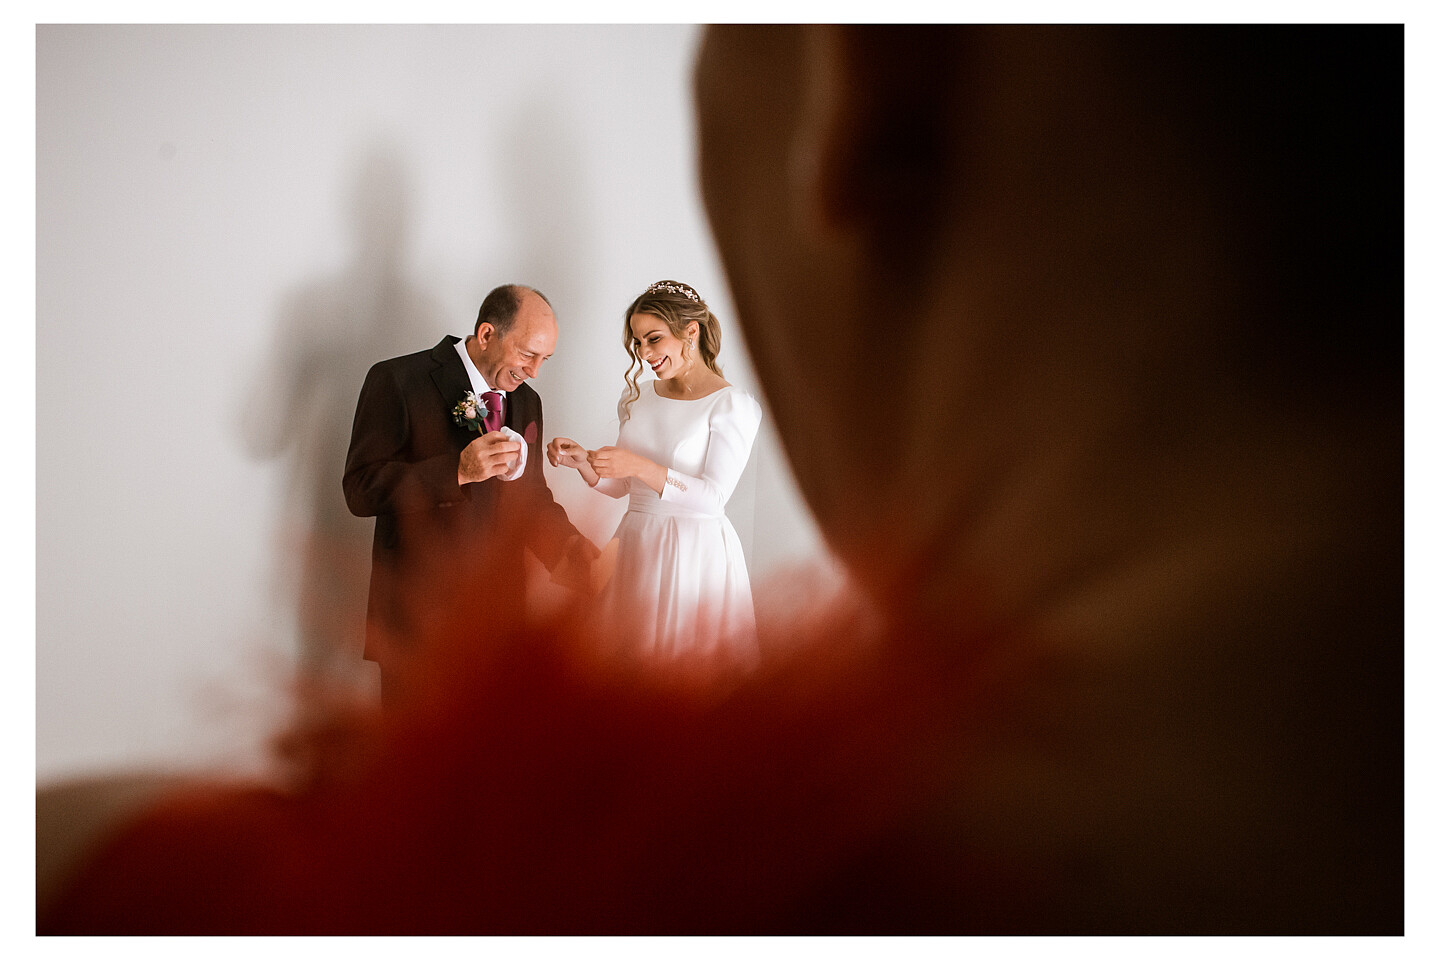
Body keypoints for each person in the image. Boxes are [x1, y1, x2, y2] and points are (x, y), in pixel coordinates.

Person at [38, 26, 1401, 934]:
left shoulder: (431, 898)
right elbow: (359, 490)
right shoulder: (408, 374)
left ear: (861, 76)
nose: (589, 361)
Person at [341, 283, 599, 707]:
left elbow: (530, 499)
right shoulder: (396, 380)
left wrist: (574, 553)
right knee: (416, 767)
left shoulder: (528, 401)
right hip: (417, 623)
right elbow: (360, 489)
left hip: (502, 628)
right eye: (528, 354)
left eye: (544, 360)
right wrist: (458, 471)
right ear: (486, 335)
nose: (534, 371)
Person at [547, 281, 761, 661]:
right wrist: (584, 462)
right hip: (635, 543)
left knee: (682, 671)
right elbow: (623, 486)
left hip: (693, 552)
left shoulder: (732, 405)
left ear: (690, 332)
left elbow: (713, 498)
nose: (644, 353)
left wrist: (641, 466)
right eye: (638, 342)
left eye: (653, 339)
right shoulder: (640, 397)